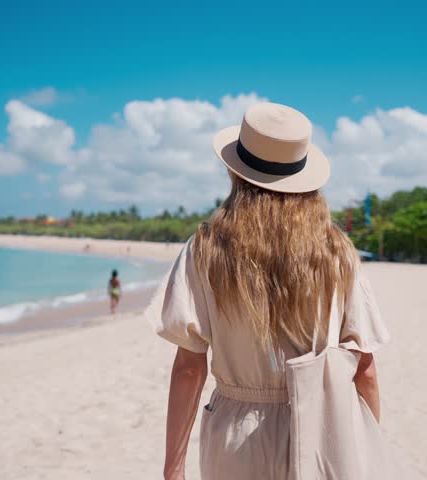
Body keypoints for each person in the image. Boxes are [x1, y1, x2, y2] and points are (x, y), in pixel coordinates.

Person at [146, 102, 390, 479]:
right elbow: (366, 371)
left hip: (235, 435)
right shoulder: (336, 251)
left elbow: (189, 369)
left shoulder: (207, 247)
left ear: (235, 172)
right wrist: (367, 445)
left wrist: (173, 467)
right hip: (321, 430)